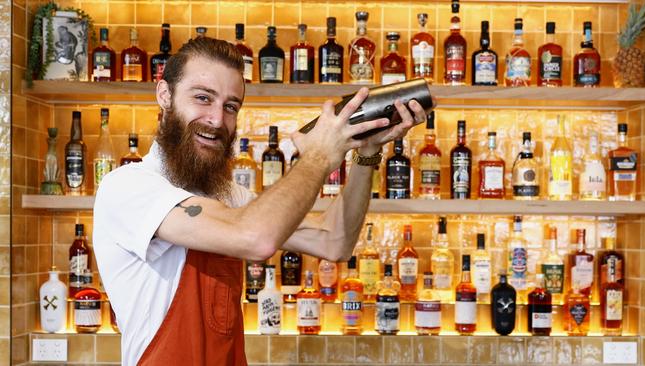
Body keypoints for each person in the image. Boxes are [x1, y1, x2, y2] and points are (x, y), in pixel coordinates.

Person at [93, 37, 427, 365]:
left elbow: (335, 241)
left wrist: (366, 153)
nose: (216, 119)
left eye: (230, 106)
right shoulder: (128, 187)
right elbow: (256, 237)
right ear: (165, 95)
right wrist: (318, 156)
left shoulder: (228, 197)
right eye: (202, 98)